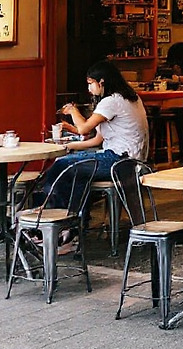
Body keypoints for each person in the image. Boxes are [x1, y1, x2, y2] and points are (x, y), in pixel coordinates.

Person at [42, 61, 149, 246]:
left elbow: (84, 128)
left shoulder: (111, 101)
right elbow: (97, 139)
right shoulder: (130, 98)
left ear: (102, 81)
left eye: (91, 83)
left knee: (60, 166)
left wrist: (73, 111)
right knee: (78, 174)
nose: (89, 88)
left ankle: (55, 224)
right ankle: (73, 228)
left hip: (119, 160)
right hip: (130, 160)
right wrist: (68, 147)